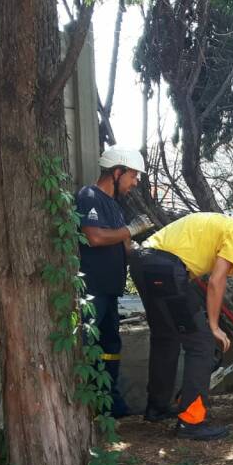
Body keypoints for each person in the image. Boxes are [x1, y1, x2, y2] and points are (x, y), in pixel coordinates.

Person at [129, 206, 233, 441]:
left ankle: (157, 408)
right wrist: (214, 327)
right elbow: (217, 282)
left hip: (143, 262)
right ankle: (191, 421)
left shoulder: (217, 225)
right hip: (166, 268)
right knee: (202, 344)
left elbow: (192, 276)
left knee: (166, 338)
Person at [76, 146, 153, 418]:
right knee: (86, 345)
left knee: (111, 346)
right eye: (132, 175)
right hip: (91, 289)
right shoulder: (89, 197)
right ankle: (85, 408)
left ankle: (111, 404)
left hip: (110, 290)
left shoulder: (116, 208)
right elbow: (94, 237)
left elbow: (126, 246)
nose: (134, 183)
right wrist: (130, 230)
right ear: (117, 171)